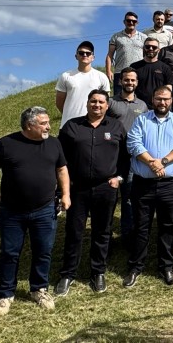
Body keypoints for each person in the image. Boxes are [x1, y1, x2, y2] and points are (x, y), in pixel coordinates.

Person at [0, 106, 70, 315]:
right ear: (29, 125)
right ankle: (6, 294)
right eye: (43, 123)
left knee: (43, 251)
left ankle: (39, 289)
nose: (48, 126)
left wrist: (66, 194)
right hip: (12, 211)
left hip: (45, 209)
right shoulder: (6, 144)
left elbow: (62, 169)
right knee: (10, 253)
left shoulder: (53, 143)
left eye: (48, 122)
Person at [54, 90, 128, 296]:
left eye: (101, 102)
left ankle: (98, 272)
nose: (97, 105)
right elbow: (61, 160)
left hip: (106, 187)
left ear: (107, 106)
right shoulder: (72, 126)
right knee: (74, 231)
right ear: (87, 104)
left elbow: (125, 156)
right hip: (77, 188)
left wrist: (119, 178)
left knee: (102, 231)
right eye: (93, 101)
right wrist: (62, 189)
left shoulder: (116, 126)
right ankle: (68, 274)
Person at [123, 85, 173, 288]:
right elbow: (133, 144)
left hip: (170, 185)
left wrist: (163, 162)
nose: (163, 102)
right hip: (142, 184)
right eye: (159, 99)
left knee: (167, 226)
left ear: (172, 101)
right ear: (153, 100)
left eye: (166, 99)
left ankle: (166, 267)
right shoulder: (142, 119)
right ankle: (136, 266)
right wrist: (152, 162)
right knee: (141, 226)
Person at [106, 67, 147, 248]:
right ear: (120, 81)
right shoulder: (111, 103)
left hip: (132, 159)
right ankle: (105, 238)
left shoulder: (143, 105)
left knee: (129, 199)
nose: (129, 83)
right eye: (126, 80)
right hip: (111, 158)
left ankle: (126, 236)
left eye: (132, 80)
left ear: (137, 83)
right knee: (109, 199)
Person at [55, 40, 111, 128]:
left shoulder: (101, 77)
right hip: (68, 125)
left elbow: (105, 103)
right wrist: (69, 113)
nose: (85, 55)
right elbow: (59, 102)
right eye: (81, 53)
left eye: (88, 53)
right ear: (76, 56)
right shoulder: (66, 76)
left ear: (93, 57)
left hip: (93, 126)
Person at [106, 11, 147, 89]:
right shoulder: (116, 36)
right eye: (128, 20)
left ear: (137, 23)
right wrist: (108, 70)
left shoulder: (144, 37)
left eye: (134, 21)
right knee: (119, 99)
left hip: (138, 73)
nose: (131, 22)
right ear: (124, 22)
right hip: (120, 73)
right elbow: (109, 55)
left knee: (139, 99)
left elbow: (146, 56)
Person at [131, 38, 173, 107]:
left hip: (159, 106)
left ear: (159, 50)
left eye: (154, 47)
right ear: (143, 48)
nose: (151, 49)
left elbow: (168, 88)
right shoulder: (134, 67)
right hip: (138, 106)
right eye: (147, 47)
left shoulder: (165, 67)